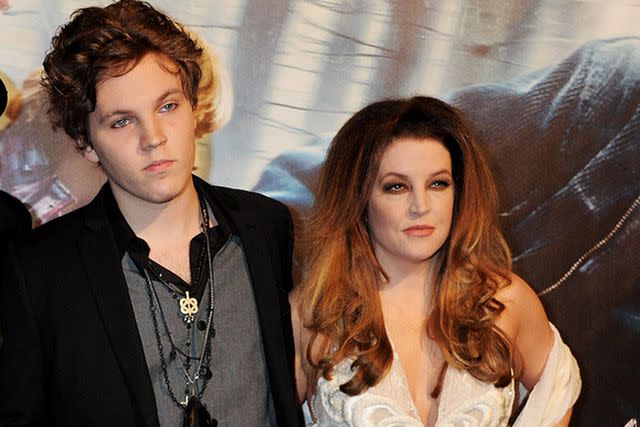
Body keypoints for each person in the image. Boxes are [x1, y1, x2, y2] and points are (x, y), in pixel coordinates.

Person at [0, 1, 302, 426]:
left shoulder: (268, 226)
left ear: (194, 110)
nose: (154, 138)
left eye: (167, 107)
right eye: (122, 121)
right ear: (86, 143)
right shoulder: (40, 271)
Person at [290, 96, 581, 426]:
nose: (421, 206)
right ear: (359, 199)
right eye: (396, 187)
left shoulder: (504, 300)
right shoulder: (312, 315)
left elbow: (558, 388)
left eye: (438, 183)